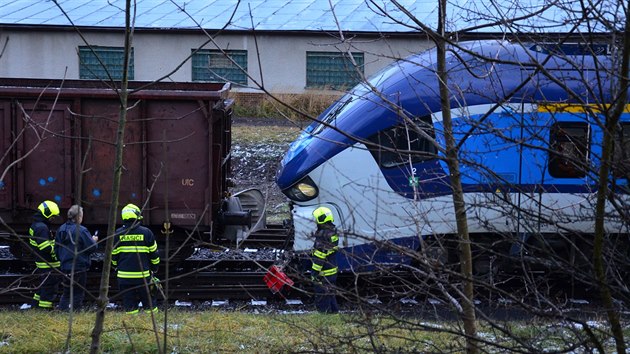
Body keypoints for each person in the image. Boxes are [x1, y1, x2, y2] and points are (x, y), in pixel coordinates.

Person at [112, 203, 160, 314]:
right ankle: (152, 325)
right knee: (150, 304)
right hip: (143, 276)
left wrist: (115, 267)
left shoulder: (117, 234)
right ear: (137, 216)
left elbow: (113, 256)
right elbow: (154, 255)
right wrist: (154, 268)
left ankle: (132, 326)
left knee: (129, 305)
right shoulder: (147, 233)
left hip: (124, 277)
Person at [55, 204, 98, 311]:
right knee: (78, 292)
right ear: (78, 217)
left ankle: (62, 311)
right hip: (78, 266)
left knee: (66, 292)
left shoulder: (61, 229)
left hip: (65, 266)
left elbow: (56, 248)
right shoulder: (82, 230)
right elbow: (92, 248)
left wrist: (62, 260)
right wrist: (94, 240)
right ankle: (76, 312)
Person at [28, 200, 61, 309]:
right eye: (53, 216)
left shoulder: (36, 225)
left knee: (42, 287)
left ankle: (35, 306)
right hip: (48, 264)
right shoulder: (42, 228)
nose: (53, 219)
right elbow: (46, 248)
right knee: (49, 289)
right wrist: (57, 248)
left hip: (42, 263)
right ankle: (45, 310)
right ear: (47, 214)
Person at [310, 206, 340, 313]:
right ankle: (334, 314)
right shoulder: (333, 232)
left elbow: (320, 256)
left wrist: (314, 273)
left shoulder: (322, 235)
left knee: (322, 295)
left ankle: (324, 315)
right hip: (332, 270)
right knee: (330, 294)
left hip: (324, 272)